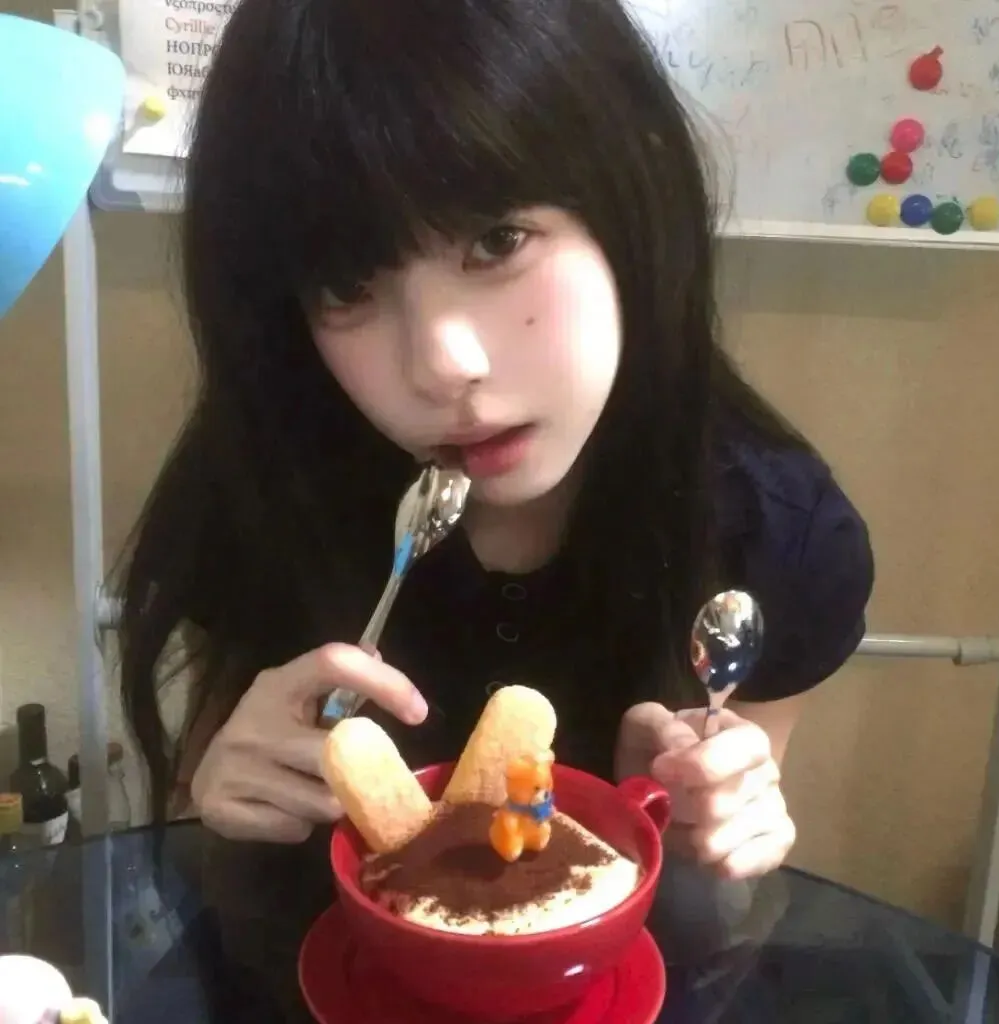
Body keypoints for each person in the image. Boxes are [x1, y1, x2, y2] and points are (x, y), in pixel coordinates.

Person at [114, 0, 873, 1018]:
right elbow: (224, 886)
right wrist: (229, 796)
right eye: (346, 284)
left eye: (498, 239)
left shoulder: (772, 529)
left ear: (632, 194)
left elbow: (716, 924)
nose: (442, 365)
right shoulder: (260, 483)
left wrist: (702, 835)